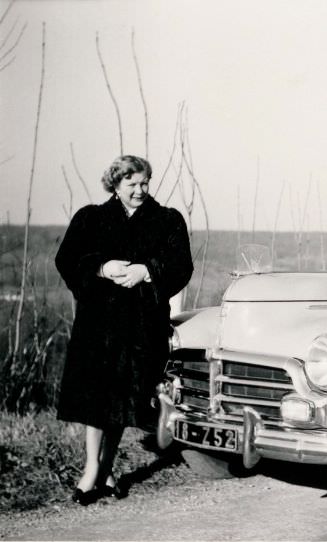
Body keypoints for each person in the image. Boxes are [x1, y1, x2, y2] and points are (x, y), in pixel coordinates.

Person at [55, 155, 193, 505]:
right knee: (96, 400)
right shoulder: (92, 218)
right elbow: (67, 259)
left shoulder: (167, 220)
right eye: (131, 184)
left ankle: (105, 468)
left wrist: (146, 271)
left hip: (140, 327)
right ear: (115, 186)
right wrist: (102, 267)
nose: (139, 190)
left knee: (120, 400)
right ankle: (92, 470)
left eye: (144, 183)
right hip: (98, 326)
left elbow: (181, 266)